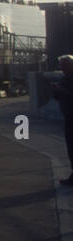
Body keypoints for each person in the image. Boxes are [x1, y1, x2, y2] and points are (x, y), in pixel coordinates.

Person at [54, 55, 73, 186]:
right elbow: (57, 96)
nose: (62, 69)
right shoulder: (65, 78)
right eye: (61, 66)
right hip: (68, 116)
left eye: (64, 66)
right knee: (71, 147)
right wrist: (56, 90)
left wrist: (62, 90)